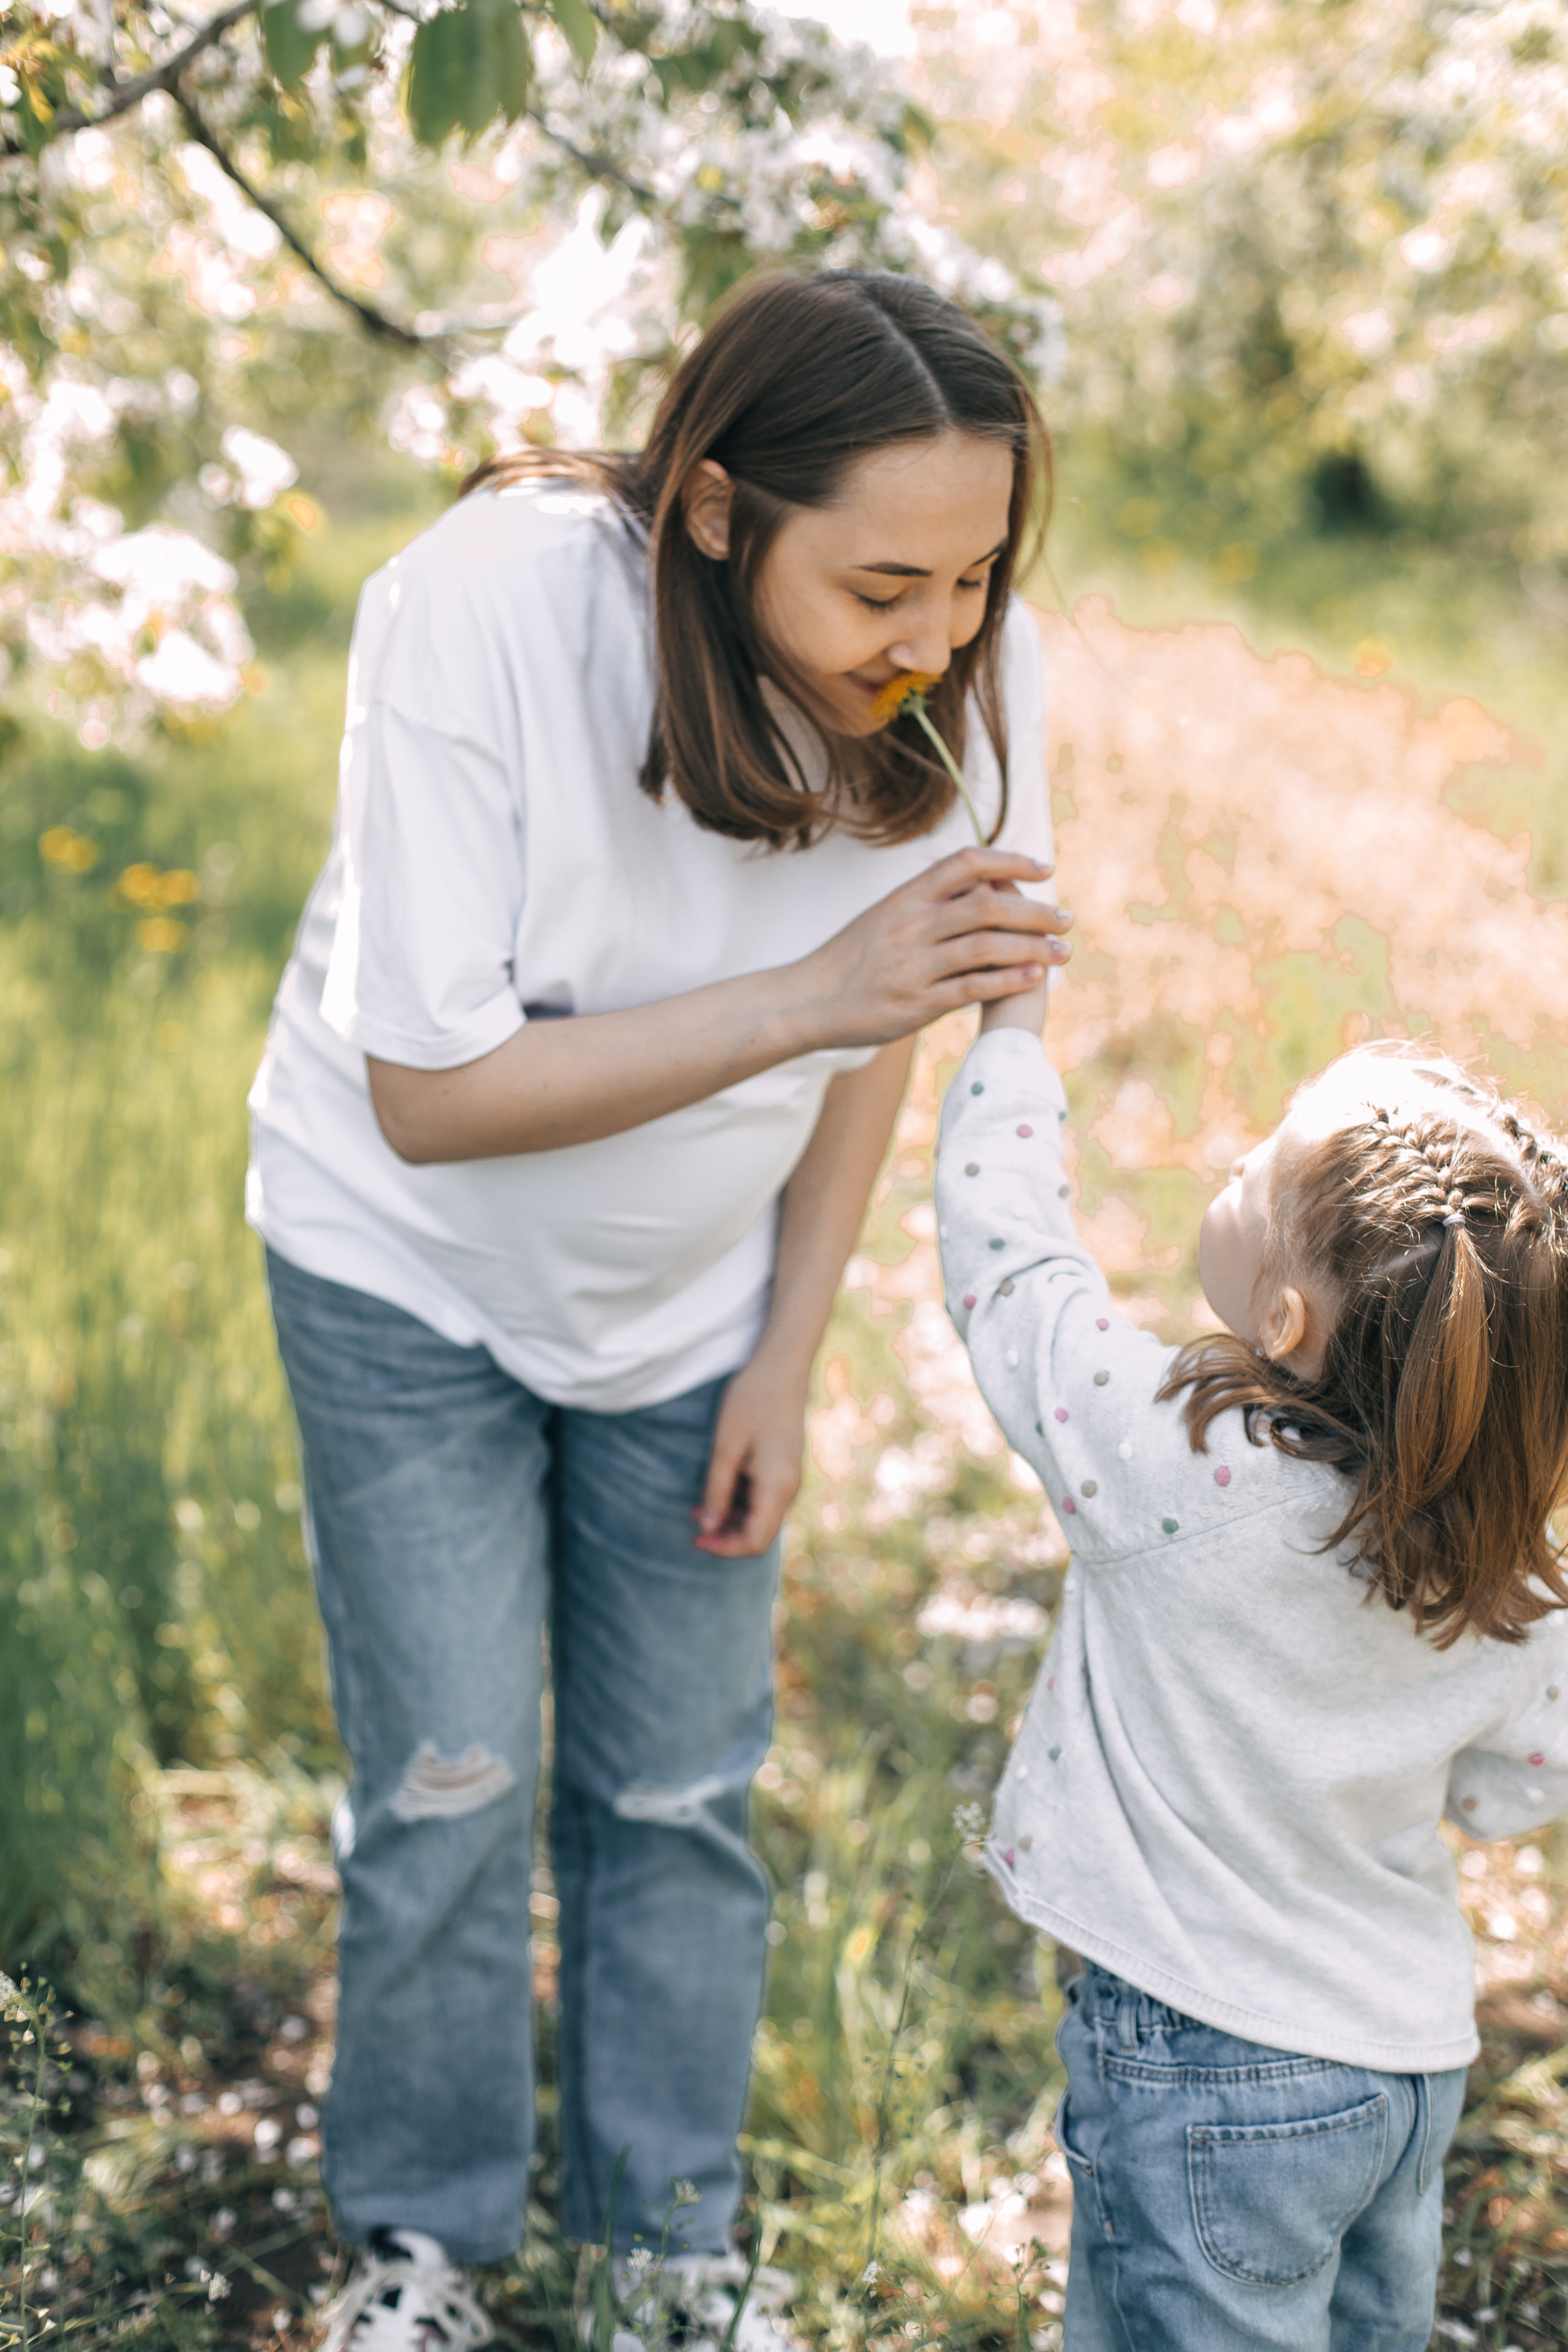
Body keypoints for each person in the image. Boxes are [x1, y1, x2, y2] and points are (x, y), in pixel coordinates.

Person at [245, 267, 1074, 2350]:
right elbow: (432, 1101)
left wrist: (787, 1349)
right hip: (404, 1271)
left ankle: (666, 2249)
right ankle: (420, 2247)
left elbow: (888, 1034)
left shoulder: (966, 672)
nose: (941, 637)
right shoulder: (484, 612)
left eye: (975, 579)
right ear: (712, 508)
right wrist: (818, 989)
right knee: (445, 1776)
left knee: (680, 1794)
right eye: (887, 580)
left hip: (694, 1299)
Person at [935, 987, 1568, 2350]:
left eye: (1253, 1169)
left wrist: (1008, 1044)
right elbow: (1521, 1778)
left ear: (1283, 1321)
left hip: (1200, 2063)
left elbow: (1010, 1271)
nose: (1229, 1162)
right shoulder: (1499, 1570)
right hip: (1400, 2065)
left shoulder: (1163, 1465)